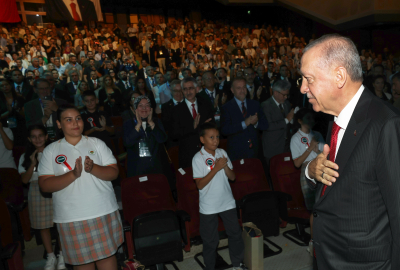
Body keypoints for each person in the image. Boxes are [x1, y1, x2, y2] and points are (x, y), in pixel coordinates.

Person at [302, 34, 400, 269]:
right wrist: (310, 171)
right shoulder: (334, 118)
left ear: (339, 77)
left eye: (309, 79)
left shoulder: (385, 124)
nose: (303, 88)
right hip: (330, 254)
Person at [38, 104, 122, 270]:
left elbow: (114, 173)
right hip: (71, 217)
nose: (75, 123)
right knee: (83, 264)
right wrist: (73, 174)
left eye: (78, 118)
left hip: (102, 211)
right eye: (68, 120)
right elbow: (45, 185)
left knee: (107, 260)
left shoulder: (96, 143)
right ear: (59, 124)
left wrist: (93, 168)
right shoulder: (51, 150)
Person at [192, 122, 247, 270]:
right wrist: (216, 168)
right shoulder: (198, 158)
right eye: (211, 137)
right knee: (211, 241)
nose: (215, 140)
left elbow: (233, 177)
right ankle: (210, 266)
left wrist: (225, 167)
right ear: (202, 140)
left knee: (235, 234)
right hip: (209, 206)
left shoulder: (222, 153)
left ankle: (237, 264)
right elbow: (200, 185)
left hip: (227, 202)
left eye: (217, 137)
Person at [19, 125, 66, 270]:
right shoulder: (25, 156)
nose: (37, 139)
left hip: (54, 187)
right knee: (43, 226)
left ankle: (62, 254)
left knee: (59, 224)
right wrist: (33, 163)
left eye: (40, 135)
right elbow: (24, 180)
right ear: (29, 139)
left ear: (46, 136)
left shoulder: (54, 151)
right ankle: (51, 256)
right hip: (36, 191)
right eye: (34, 136)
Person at [123, 95, 174, 194]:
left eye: (147, 106)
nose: (144, 108)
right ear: (134, 109)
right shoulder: (128, 124)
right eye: (140, 106)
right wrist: (138, 126)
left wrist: (151, 123)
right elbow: (127, 143)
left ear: (151, 109)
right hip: (138, 169)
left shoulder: (156, 122)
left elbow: (162, 139)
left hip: (157, 168)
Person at [221, 77, 269, 161]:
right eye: (238, 88)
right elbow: (225, 130)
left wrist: (256, 123)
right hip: (237, 152)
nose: (242, 90)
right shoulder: (226, 107)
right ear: (232, 90)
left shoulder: (255, 104)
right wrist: (244, 124)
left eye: (244, 87)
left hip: (255, 151)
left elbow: (265, 125)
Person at [172, 77, 215, 168]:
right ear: (182, 91)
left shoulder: (205, 104)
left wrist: (203, 126)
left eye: (191, 88)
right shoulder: (176, 110)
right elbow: (174, 134)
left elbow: (213, 125)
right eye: (185, 89)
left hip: (207, 151)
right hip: (188, 155)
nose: (188, 92)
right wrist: (193, 127)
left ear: (196, 89)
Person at [261, 79, 295, 165]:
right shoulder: (266, 105)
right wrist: (287, 120)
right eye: (284, 95)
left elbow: (289, 122)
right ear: (276, 93)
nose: (286, 97)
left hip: (286, 146)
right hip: (273, 147)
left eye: (287, 94)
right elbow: (268, 126)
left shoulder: (286, 103)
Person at [161, 79, 184, 148]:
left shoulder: (188, 104)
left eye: (180, 90)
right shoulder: (166, 106)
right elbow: (166, 126)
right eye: (175, 91)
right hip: (174, 141)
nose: (178, 93)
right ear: (171, 91)